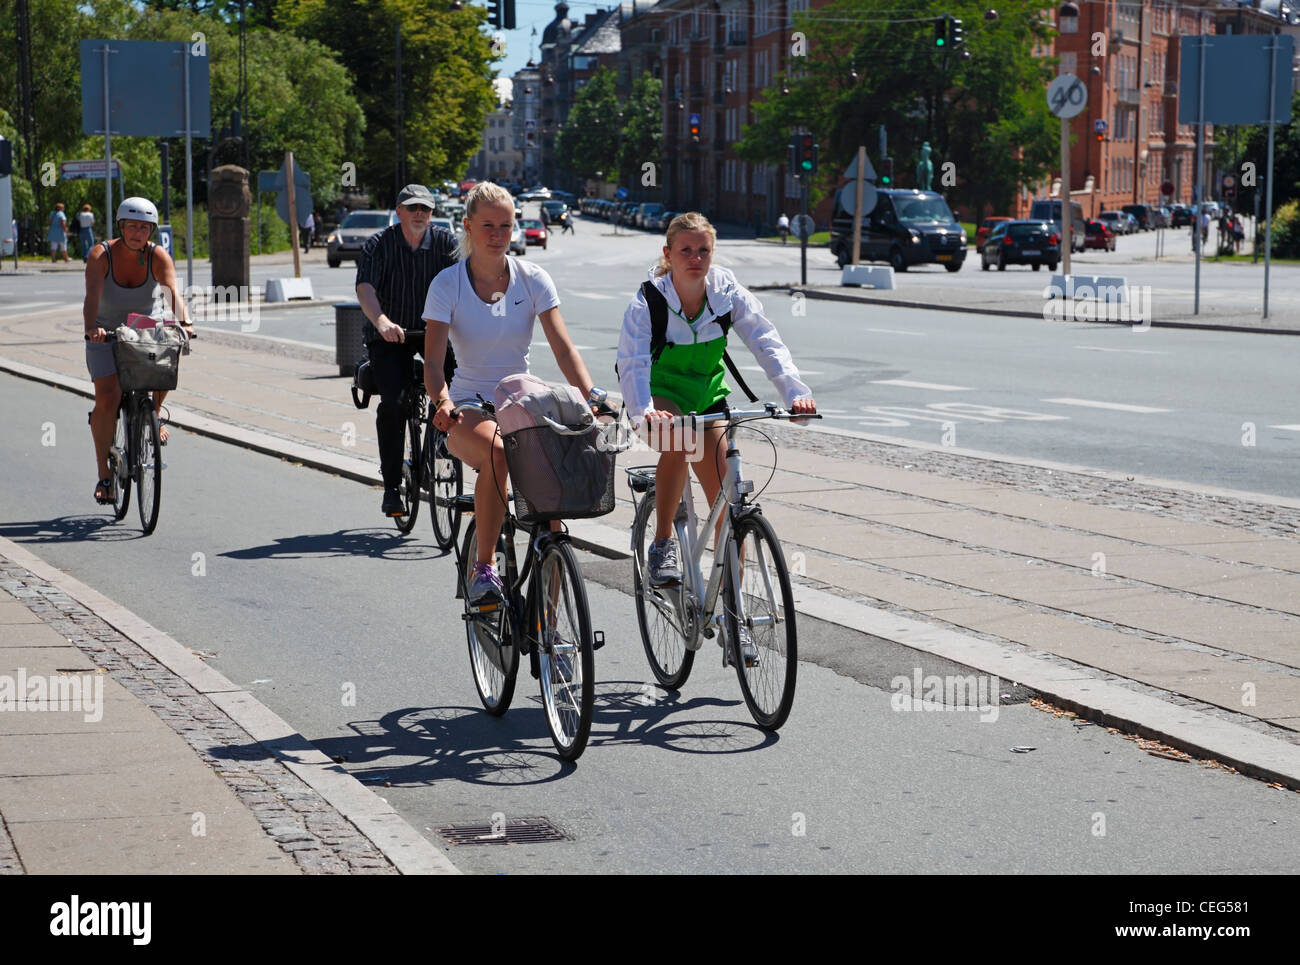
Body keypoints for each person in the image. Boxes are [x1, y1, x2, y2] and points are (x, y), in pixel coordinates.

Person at [615, 212, 816, 660]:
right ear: (668, 254)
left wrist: (796, 394)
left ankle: (733, 614)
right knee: (679, 441)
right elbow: (633, 364)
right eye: (685, 250)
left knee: (729, 506)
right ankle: (662, 543)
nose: (696, 258)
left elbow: (765, 339)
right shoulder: (648, 300)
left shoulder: (725, 293)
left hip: (707, 394)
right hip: (659, 393)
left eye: (703, 249)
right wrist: (645, 412)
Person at [423, 182, 602, 605]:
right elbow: (432, 362)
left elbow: (562, 347)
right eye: (487, 225)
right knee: (499, 454)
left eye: (505, 225)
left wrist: (591, 395)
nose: (497, 234)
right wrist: (442, 402)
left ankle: (553, 628)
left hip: (519, 400)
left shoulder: (533, 278)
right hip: (467, 405)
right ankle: (484, 569)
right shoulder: (448, 284)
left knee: (553, 511)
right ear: (467, 226)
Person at [356, 184, 458, 516]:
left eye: (425, 209)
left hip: (434, 332)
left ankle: (433, 450)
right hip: (390, 335)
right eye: (412, 207)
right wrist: (382, 321)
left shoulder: (446, 243)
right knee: (395, 404)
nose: (419, 213)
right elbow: (365, 288)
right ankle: (391, 488)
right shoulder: (379, 245)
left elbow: (469, 280)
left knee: (459, 388)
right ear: (398, 211)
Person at [83, 197, 192, 504]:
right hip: (105, 331)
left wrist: (185, 322)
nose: (137, 233)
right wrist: (93, 329)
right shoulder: (100, 255)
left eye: (144, 227)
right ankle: (104, 474)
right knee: (107, 398)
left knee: (163, 367)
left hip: (145, 325)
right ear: (121, 226)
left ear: (151, 230)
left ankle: (152, 415)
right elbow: (91, 298)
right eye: (132, 226)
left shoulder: (158, 255)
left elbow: (172, 290)